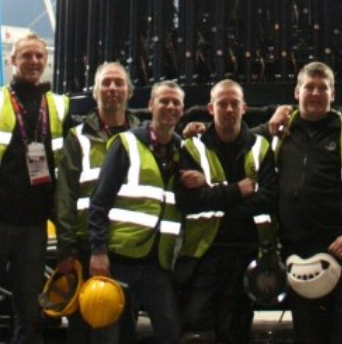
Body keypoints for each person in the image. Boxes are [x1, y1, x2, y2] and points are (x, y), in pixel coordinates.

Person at [0, 33, 70, 344]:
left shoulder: (58, 106)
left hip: (34, 228)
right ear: (13, 61)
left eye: (39, 56)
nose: (33, 61)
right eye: (26, 56)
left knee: (30, 316)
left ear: (45, 61)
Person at [273, 60, 342, 344]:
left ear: (333, 94)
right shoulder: (281, 132)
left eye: (323, 88)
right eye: (309, 87)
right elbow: (236, 127)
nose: (316, 93)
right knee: (308, 329)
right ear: (296, 92)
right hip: (299, 249)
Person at [175, 79, 278, 343]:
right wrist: (236, 191)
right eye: (222, 104)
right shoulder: (192, 147)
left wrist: (215, 196)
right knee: (197, 328)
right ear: (211, 108)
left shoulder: (260, 147)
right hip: (203, 256)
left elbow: (267, 198)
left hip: (246, 253)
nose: (229, 110)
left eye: (234, 104)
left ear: (244, 108)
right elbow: (189, 201)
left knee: (236, 331)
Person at [87, 80, 190, 344]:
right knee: (111, 335)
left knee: (170, 332)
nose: (169, 107)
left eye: (175, 102)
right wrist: (98, 251)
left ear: (182, 109)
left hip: (157, 264)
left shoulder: (182, 150)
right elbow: (99, 202)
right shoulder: (126, 144)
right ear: (150, 105)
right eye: (163, 101)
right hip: (119, 260)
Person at [54, 61, 139, 344]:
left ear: (129, 91)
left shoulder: (143, 136)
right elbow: (64, 195)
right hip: (86, 246)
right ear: (94, 92)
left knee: (124, 328)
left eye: (118, 83)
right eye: (106, 83)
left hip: (128, 247)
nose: (112, 89)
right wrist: (66, 249)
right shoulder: (77, 138)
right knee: (85, 329)